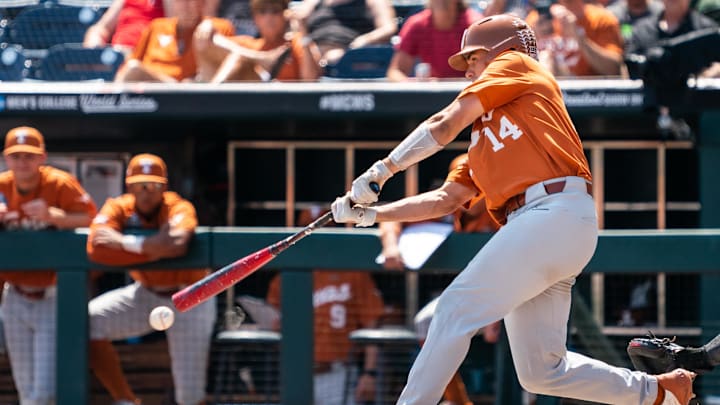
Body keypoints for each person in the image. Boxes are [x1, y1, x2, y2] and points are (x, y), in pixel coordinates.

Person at [330, 14, 696, 404]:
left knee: (454, 310)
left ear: (499, 51)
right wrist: (371, 214)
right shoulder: (483, 139)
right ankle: (660, 392)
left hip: (552, 212)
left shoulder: (517, 62)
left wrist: (383, 169)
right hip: (546, 228)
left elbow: (444, 121)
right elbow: (445, 200)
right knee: (542, 371)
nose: (467, 69)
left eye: (472, 58)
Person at [86, 153, 216, 405]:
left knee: (189, 395)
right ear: (129, 186)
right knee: (89, 321)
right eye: (140, 185)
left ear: (164, 187)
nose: (146, 192)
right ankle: (125, 400)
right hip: (146, 293)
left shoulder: (178, 206)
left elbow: (177, 243)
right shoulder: (118, 207)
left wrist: (126, 244)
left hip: (191, 297)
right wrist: (155, 246)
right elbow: (97, 247)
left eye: (153, 185)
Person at [378, 153, 500, 405]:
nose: (472, 188)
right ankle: (458, 400)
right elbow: (396, 218)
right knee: (426, 322)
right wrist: (391, 247)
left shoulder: (505, 206)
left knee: (536, 360)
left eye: (478, 183)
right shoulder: (450, 208)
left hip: (520, 290)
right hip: (479, 292)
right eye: (467, 181)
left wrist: (500, 306)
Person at [0, 126, 97, 405]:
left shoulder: (59, 183)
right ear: (7, 158)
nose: (22, 162)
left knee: (43, 393)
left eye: (29, 156)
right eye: (16, 156)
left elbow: (93, 220)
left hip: (51, 296)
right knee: (26, 390)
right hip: (14, 296)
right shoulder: (2, 186)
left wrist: (56, 217)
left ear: (42, 157)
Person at [266, 207, 385, 405]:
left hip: (338, 374)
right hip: (295, 374)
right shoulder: (283, 279)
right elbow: (271, 323)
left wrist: (369, 373)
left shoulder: (353, 273)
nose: (314, 240)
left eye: (323, 231)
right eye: (306, 233)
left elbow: (372, 327)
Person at [194, 0, 322, 82]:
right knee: (238, 57)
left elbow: (310, 80)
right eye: (262, 11)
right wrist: (207, 24)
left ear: (285, 15)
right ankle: (210, 99)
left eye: (275, 11)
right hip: (248, 109)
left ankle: (209, 100)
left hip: (284, 107)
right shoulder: (249, 44)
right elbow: (205, 43)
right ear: (255, 17)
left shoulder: (296, 43)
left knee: (239, 58)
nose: (269, 17)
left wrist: (303, 31)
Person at [113, 0, 235, 83]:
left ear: (202, 3)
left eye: (192, 0)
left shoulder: (218, 28)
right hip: (150, 96)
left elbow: (227, 70)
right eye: (180, 0)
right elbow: (127, 67)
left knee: (134, 71)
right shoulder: (156, 26)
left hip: (191, 97)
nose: (186, 6)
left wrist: (211, 39)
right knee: (133, 69)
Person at [386, 0, 482, 81]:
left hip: (469, 94)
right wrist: (415, 86)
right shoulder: (416, 24)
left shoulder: (475, 25)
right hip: (429, 99)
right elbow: (396, 71)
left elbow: (485, 74)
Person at [525, 0, 625, 77]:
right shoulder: (538, 19)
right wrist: (536, 41)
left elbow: (614, 69)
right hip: (550, 95)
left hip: (589, 97)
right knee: (545, 58)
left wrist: (579, 38)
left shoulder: (601, 19)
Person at [624, 0, 720, 78]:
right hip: (652, 97)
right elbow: (629, 66)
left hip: (695, 98)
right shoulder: (641, 30)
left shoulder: (708, 29)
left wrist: (708, 76)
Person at [288, 0, 397, 66]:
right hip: (310, 54)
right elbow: (296, 21)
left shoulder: (373, 1)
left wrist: (364, 40)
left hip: (351, 55)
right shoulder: (313, 2)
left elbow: (388, 28)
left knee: (333, 57)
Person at [83, 0, 168, 54]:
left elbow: (176, 30)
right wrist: (94, 52)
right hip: (118, 57)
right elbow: (101, 29)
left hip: (148, 61)